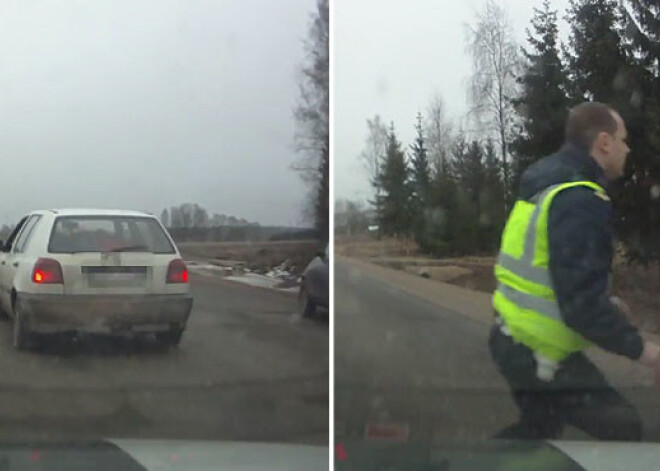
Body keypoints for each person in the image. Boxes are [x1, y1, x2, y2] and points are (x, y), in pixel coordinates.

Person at [490, 101, 660, 441]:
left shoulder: (548, 184)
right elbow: (581, 307)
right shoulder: (579, 199)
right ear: (604, 142)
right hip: (538, 352)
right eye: (623, 140)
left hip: (511, 336)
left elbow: (552, 271)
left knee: (539, 429)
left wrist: (604, 300)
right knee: (623, 428)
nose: (627, 148)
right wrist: (648, 353)